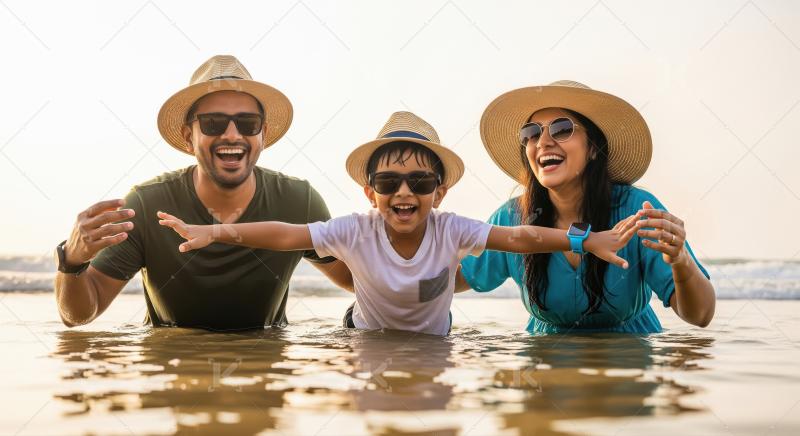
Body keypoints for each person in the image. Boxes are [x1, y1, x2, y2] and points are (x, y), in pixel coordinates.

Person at [158, 111, 641, 336]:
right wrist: (216, 231)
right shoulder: (355, 229)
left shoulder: (452, 229)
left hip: (434, 335)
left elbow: (519, 237)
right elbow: (287, 234)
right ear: (370, 194)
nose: (404, 193)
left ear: (439, 191)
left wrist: (585, 238)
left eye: (419, 181)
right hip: (363, 331)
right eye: (388, 183)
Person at [54, 55, 352, 330]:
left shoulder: (298, 201)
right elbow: (79, 314)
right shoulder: (147, 205)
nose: (232, 134)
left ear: (263, 135)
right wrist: (72, 262)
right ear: (188, 137)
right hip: (172, 370)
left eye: (248, 123)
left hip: (266, 370)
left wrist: (395, 231)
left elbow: (355, 279)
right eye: (213, 123)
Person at [457, 80, 716, 334]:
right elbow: (451, 280)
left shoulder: (636, 210)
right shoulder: (514, 217)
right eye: (531, 133)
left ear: (593, 148)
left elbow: (701, 316)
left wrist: (680, 260)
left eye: (561, 129)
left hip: (628, 359)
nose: (543, 142)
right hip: (544, 364)